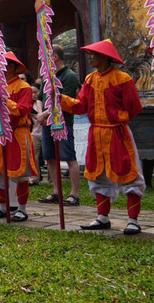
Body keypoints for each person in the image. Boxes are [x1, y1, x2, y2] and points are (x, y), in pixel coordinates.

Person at [61, 40, 145, 234]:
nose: (90, 58)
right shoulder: (90, 80)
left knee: (129, 173)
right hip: (96, 134)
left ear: (104, 57)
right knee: (97, 174)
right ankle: (102, 218)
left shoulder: (122, 79)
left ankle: (133, 221)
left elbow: (133, 107)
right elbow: (81, 106)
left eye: (93, 55)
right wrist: (61, 99)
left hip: (118, 133)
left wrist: (118, 120)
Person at [0, 52, 38, 223]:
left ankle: (21, 209)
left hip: (16, 133)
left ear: (12, 67)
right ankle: (1, 207)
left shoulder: (24, 87)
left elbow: (22, 111)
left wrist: (4, 99)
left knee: (19, 173)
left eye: (4, 65)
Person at [37, 46, 82, 206]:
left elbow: (65, 100)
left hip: (63, 122)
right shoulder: (47, 75)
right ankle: (57, 191)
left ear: (54, 57)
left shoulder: (69, 76)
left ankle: (74, 194)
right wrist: (42, 113)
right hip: (47, 123)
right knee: (50, 157)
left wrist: (45, 114)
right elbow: (41, 97)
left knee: (69, 157)